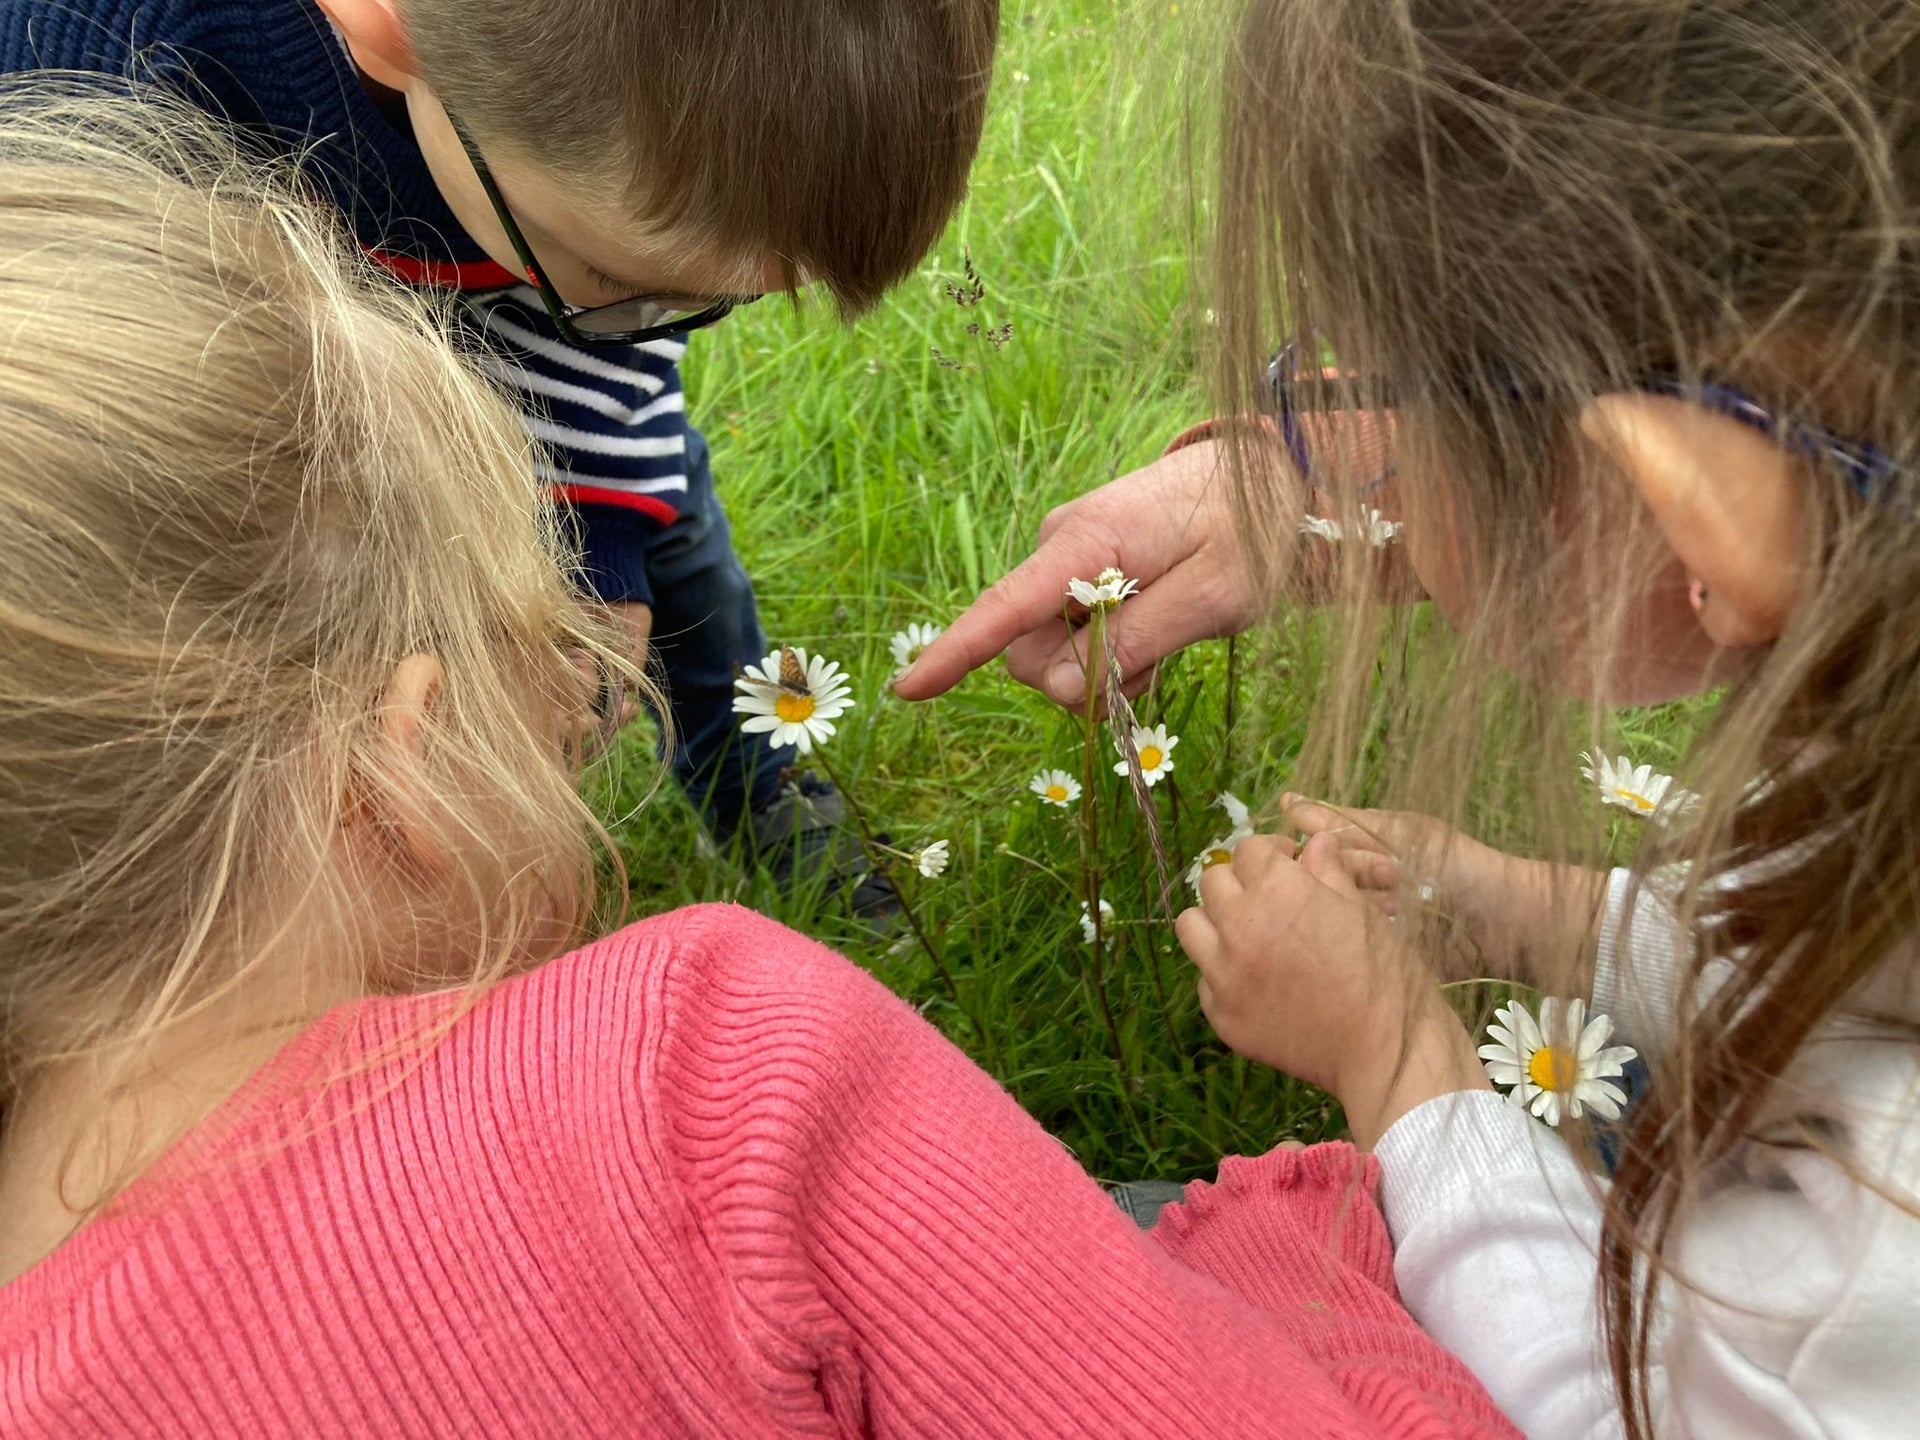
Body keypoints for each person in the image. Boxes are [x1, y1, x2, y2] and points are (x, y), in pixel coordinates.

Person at [0, 91, 1525, 1438]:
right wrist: (1306, 1236)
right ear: (396, 778)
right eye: (551, 658)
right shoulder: (697, 1072)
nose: (595, 700)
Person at [911, 1, 1920, 1435]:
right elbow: (1834, 961)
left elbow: (1603, 1406)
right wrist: (1515, 901)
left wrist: (1404, 1064)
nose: (1334, 441)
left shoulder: (1861, 1295)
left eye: (1358, 389)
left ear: (1688, 508)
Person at [0, 0, 1003, 918]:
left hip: (505, 302)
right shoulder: (97, 86)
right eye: (625, 276)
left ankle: (752, 785)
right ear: (384, 29)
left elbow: (621, 326)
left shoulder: (581, 124)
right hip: (204, 378)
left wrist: (601, 542)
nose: (666, 315)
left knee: (683, 554)